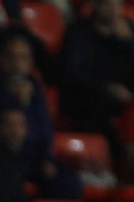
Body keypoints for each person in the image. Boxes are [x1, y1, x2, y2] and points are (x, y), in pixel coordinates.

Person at [60, 0, 134, 136]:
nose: (114, 10)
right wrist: (107, 88)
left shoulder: (128, 31)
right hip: (87, 100)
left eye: (118, 5)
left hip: (123, 97)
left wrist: (129, 43)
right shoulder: (78, 32)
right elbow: (72, 75)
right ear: (96, 5)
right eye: (109, 5)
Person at [0, 32, 54, 159]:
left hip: (35, 158)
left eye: (23, 57)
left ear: (30, 62)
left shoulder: (36, 92)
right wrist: (22, 105)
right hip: (4, 158)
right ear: (2, 60)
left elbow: (45, 132)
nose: (17, 63)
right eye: (11, 57)